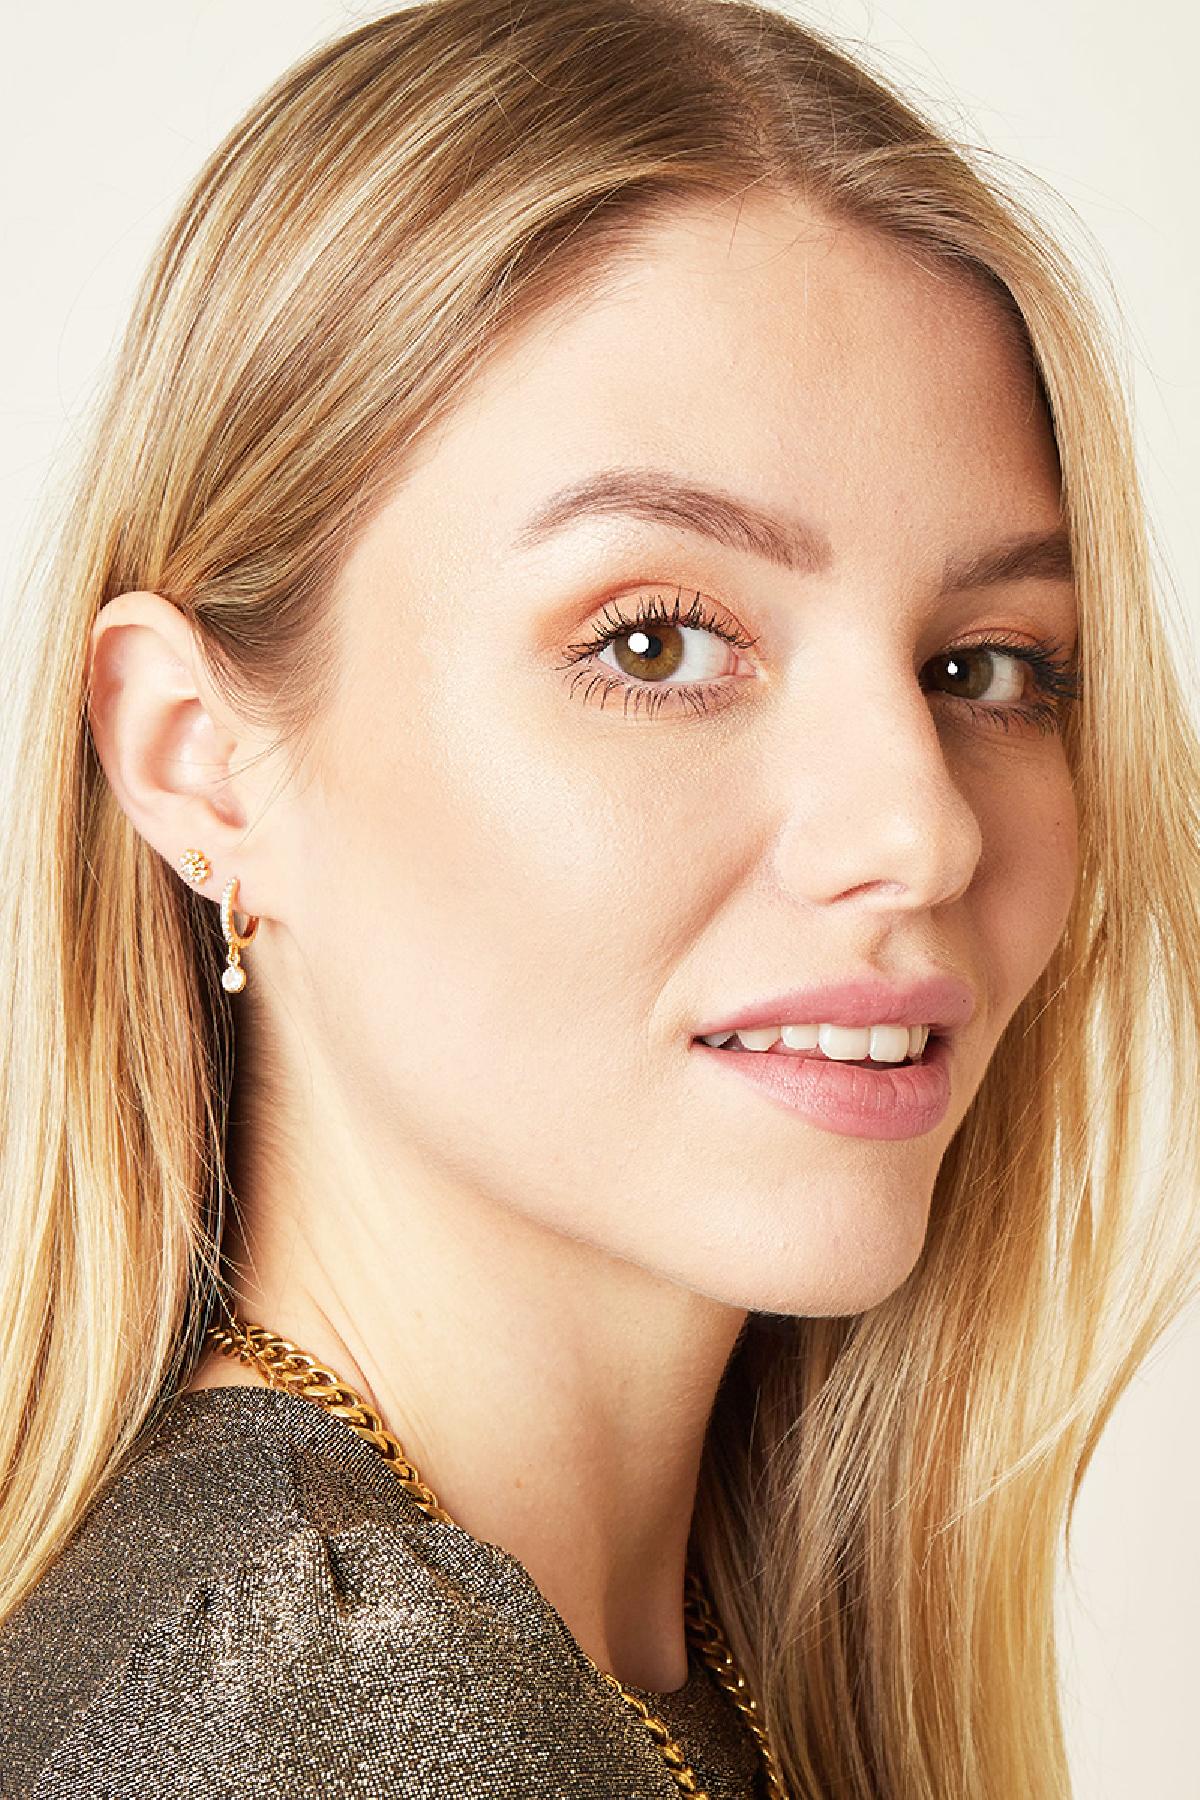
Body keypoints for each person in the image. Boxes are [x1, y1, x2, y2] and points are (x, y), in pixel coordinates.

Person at [0, 0, 1196, 1794]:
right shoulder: (335, 1724)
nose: (923, 831)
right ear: (196, 762)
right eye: (656, 641)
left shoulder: (573, 1663)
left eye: (990, 667)